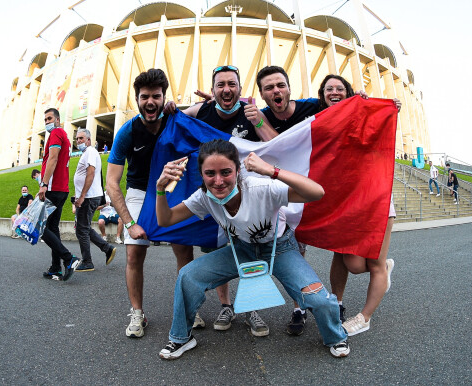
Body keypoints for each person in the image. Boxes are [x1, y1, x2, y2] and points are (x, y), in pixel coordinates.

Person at [155, 139, 350, 359]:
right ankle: (181, 338)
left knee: (319, 300)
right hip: (242, 250)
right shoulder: (204, 197)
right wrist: (160, 188)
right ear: (201, 174)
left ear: (238, 171)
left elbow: (317, 193)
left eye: (226, 172)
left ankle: (335, 336)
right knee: (187, 276)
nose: (218, 181)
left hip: (279, 249)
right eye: (210, 173)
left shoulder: (261, 188)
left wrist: (272, 171)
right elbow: (166, 219)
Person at [164, 64, 276, 335]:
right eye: (221, 84)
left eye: (232, 84)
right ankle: (226, 305)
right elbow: (176, 119)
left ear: (240, 88)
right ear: (212, 90)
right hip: (213, 193)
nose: (227, 89)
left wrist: (259, 121)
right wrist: (171, 107)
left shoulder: (251, 113)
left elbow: (275, 145)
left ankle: (252, 308)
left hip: (244, 195)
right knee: (217, 250)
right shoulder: (201, 111)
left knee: (249, 248)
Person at [311, 74, 396, 337]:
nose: (334, 92)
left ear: (348, 93)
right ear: (322, 95)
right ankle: (336, 302)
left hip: (376, 200)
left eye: (340, 88)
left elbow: (382, 127)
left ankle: (364, 317)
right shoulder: (319, 122)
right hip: (346, 203)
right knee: (350, 262)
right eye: (329, 89)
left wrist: (385, 107)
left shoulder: (363, 116)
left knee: (374, 265)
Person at [106, 68, 169, 338]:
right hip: (139, 192)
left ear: (165, 97)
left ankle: (191, 309)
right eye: (145, 97)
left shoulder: (173, 119)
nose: (150, 102)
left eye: (156, 96)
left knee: (183, 251)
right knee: (134, 255)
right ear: (137, 99)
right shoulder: (126, 132)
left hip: (170, 191)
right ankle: (137, 313)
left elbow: (203, 113)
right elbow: (111, 182)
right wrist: (129, 223)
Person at [39, 108, 79, 281]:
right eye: (45, 119)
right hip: (61, 189)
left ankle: (69, 258)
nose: (47, 122)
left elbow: (53, 159)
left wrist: (44, 184)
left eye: (49, 118)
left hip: (53, 188)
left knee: (40, 228)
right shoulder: (63, 135)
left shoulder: (55, 133)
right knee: (53, 229)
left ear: (57, 119)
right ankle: (56, 267)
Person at [73, 128, 117, 272]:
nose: (78, 141)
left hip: (88, 197)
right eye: (77, 139)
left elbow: (90, 174)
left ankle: (88, 262)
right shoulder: (86, 153)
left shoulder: (91, 152)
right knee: (84, 227)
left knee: (81, 230)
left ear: (89, 140)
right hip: (88, 196)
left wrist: (82, 196)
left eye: (81, 138)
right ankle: (107, 248)